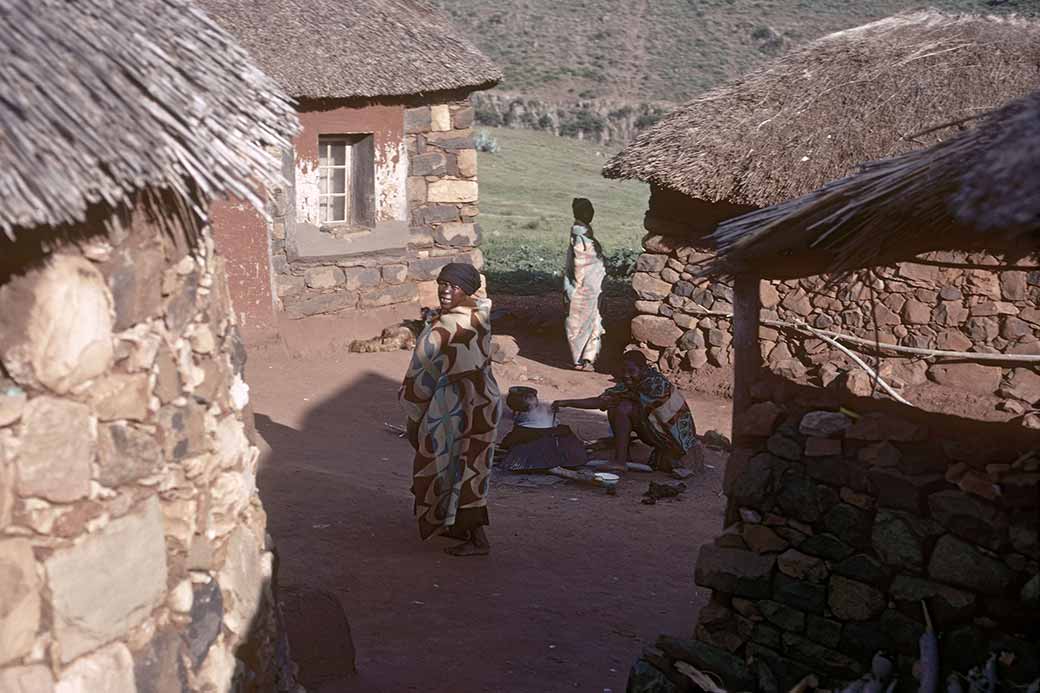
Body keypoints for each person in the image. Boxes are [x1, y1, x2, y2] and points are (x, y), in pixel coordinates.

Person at [399, 263, 501, 556]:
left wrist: (419, 411)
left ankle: (478, 539)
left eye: (453, 286)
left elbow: (458, 368)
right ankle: (454, 523)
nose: (445, 290)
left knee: (466, 467)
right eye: (442, 283)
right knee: (453, 464)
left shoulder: (462, 322)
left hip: (468, 407)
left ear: (466, 290)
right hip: (461, 402)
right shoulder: (472, 314)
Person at [552, 350, 699, 473]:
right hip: (664, 433)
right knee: (615, 404)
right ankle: (623, 455)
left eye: (631, 371)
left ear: (643, 369)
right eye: (623, 371)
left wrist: (567, 403)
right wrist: (566, 402)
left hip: (675, 441)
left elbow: (602, 401)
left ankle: (620, 461)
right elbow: (604, 399)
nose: (626, 375)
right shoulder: (638, 382)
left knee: (623, 407)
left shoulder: (654, 384)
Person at [564, 197, 606, 371]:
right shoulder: (580, 235)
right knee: (581, 321)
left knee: (588, 320)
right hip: (584, 286)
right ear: (578, 214)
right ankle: (583, 358)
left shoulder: (583, 234)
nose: (591, 214)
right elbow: (583, 262)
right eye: (587, 211)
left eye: (591, 211)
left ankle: (587, 358)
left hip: (588, 285)